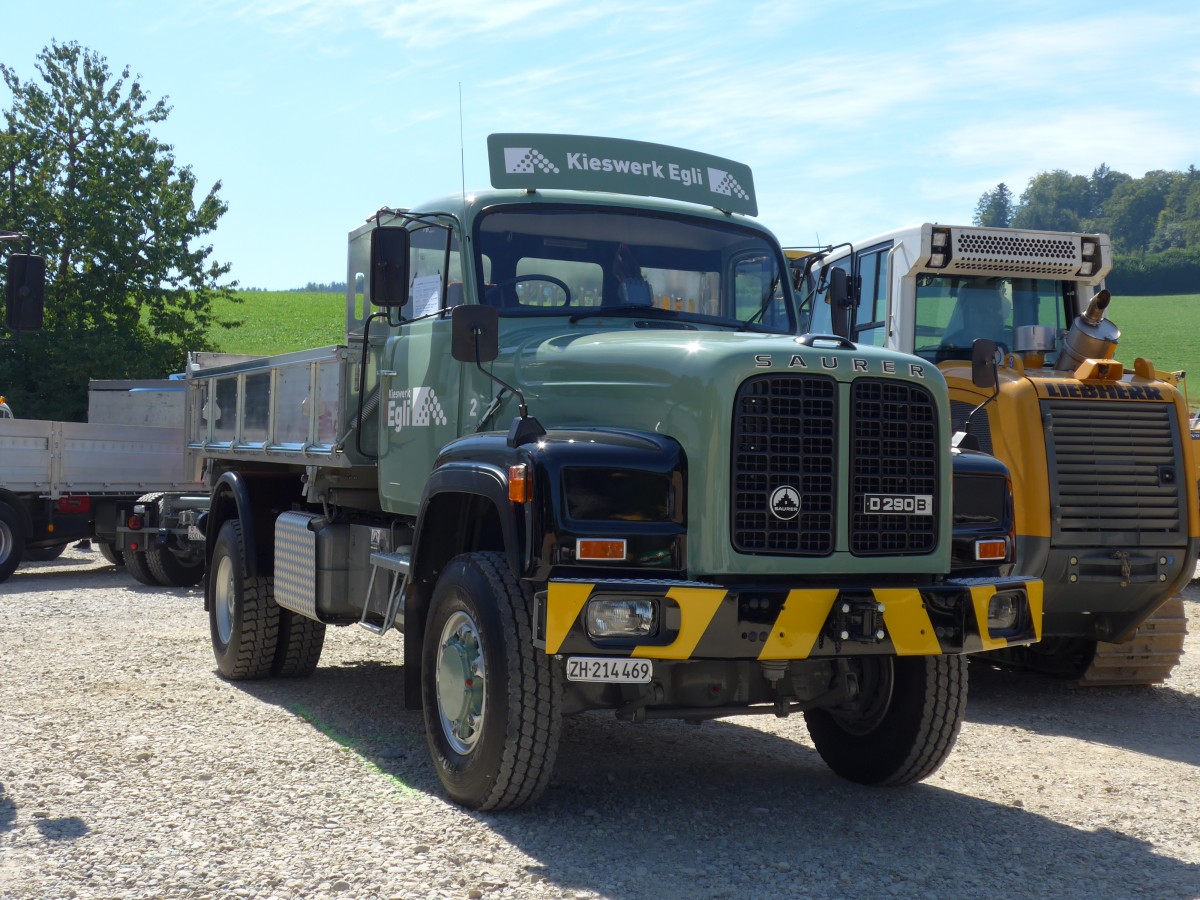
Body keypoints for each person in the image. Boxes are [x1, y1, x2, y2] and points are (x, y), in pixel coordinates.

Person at [938, 284, 1008, 358]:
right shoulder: (951, 347)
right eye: (981, 310)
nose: (996, 316)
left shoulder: (1001, 347)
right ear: (966, 313)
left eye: (994, 310)